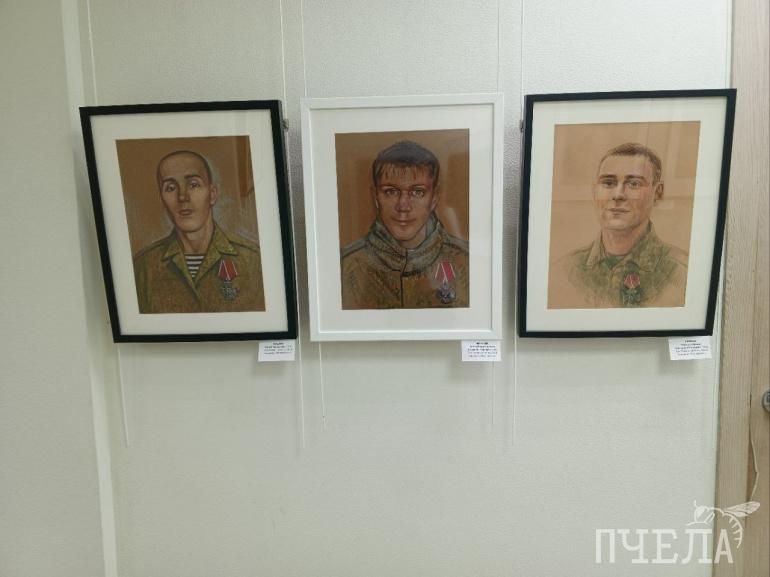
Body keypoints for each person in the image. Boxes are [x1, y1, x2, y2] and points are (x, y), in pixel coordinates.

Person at [550, 142, 689, 309]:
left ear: (658, 193)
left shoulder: (685, 275)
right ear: (594, 192)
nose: (618, 195)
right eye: (608, 183)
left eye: (634, 184)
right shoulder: (563, 272)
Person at [340, 140, 469, 309]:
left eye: (417, 192)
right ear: (376, 197)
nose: (403, 206)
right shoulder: (345, 266)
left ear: (434, 198)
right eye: (391, 191)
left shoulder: (466, 261)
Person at [132, 150, 265, 313]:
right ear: (162, 198)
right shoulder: (143, 268)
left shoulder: (253, 261)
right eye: (171, 187)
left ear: (212, 194)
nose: (182, 197)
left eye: (193, 185)